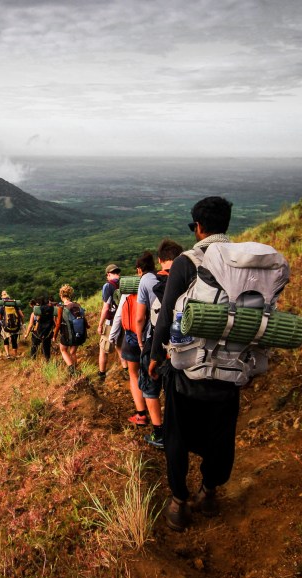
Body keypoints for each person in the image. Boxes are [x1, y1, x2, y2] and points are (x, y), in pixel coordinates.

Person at [148, 196, 239, 531]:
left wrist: (156, 357)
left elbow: (167, 315)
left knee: (176, 435)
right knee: (221, 434)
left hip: (188, 370)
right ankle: (210, 492)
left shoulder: (188, 262)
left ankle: (178, 501)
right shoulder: (243, 262)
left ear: (199, 227)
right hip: (232, 370)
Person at [135, 240, 184, 449]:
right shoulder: (188, 277)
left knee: (150, 387)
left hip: (155, 341)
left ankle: (159, 433)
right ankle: (181, 431)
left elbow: (139, 317)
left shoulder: (148, 280)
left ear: (160, 260)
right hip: (182, 343)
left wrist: (140, 340)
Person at [119, 253, 154, 431]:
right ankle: (156, 414)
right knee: (151, 374)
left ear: (139, 270)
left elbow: (127, 316)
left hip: (133, 336)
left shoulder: (131, 290)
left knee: (134, 374)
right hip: (155, 337)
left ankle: (141, 414)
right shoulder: (158, 283)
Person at [96, 264, 121, 380]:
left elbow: (106, 308)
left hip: (111, 322)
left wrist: (100, 325)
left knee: (103, 349)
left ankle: (102, 374)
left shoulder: (108, 286)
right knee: (120, 348)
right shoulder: (124, 284)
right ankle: (127, 371)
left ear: (108, 274)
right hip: (123, 321)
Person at [53, 284, 84, 376]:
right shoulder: (77, 305)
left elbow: (58, 324)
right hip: (78, 333)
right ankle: (77, 370)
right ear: (70, 295)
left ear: (61, 295)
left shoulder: (61, 307)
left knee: (63, 350)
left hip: (66, 335)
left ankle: (71, 368)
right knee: (73, 352)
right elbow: (83, 319)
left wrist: (54, 336)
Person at [0, 290, 24, 359]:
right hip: (16, 326)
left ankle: (8, 354)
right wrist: (22, 323)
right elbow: (22, 315)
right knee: (14, 340)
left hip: (6, 327)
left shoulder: (1, 307)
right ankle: (15, 355)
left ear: (2, 299)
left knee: (5, 339)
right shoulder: (15, 305)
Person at [27, 295, 55, 361]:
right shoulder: (52, 309)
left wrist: (27, 334)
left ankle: (33, 359)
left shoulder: (37, 311)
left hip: (38, 331)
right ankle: (47, 359)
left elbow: (31, 324)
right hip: (48, 331)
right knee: (47, 346)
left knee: (34, 345)